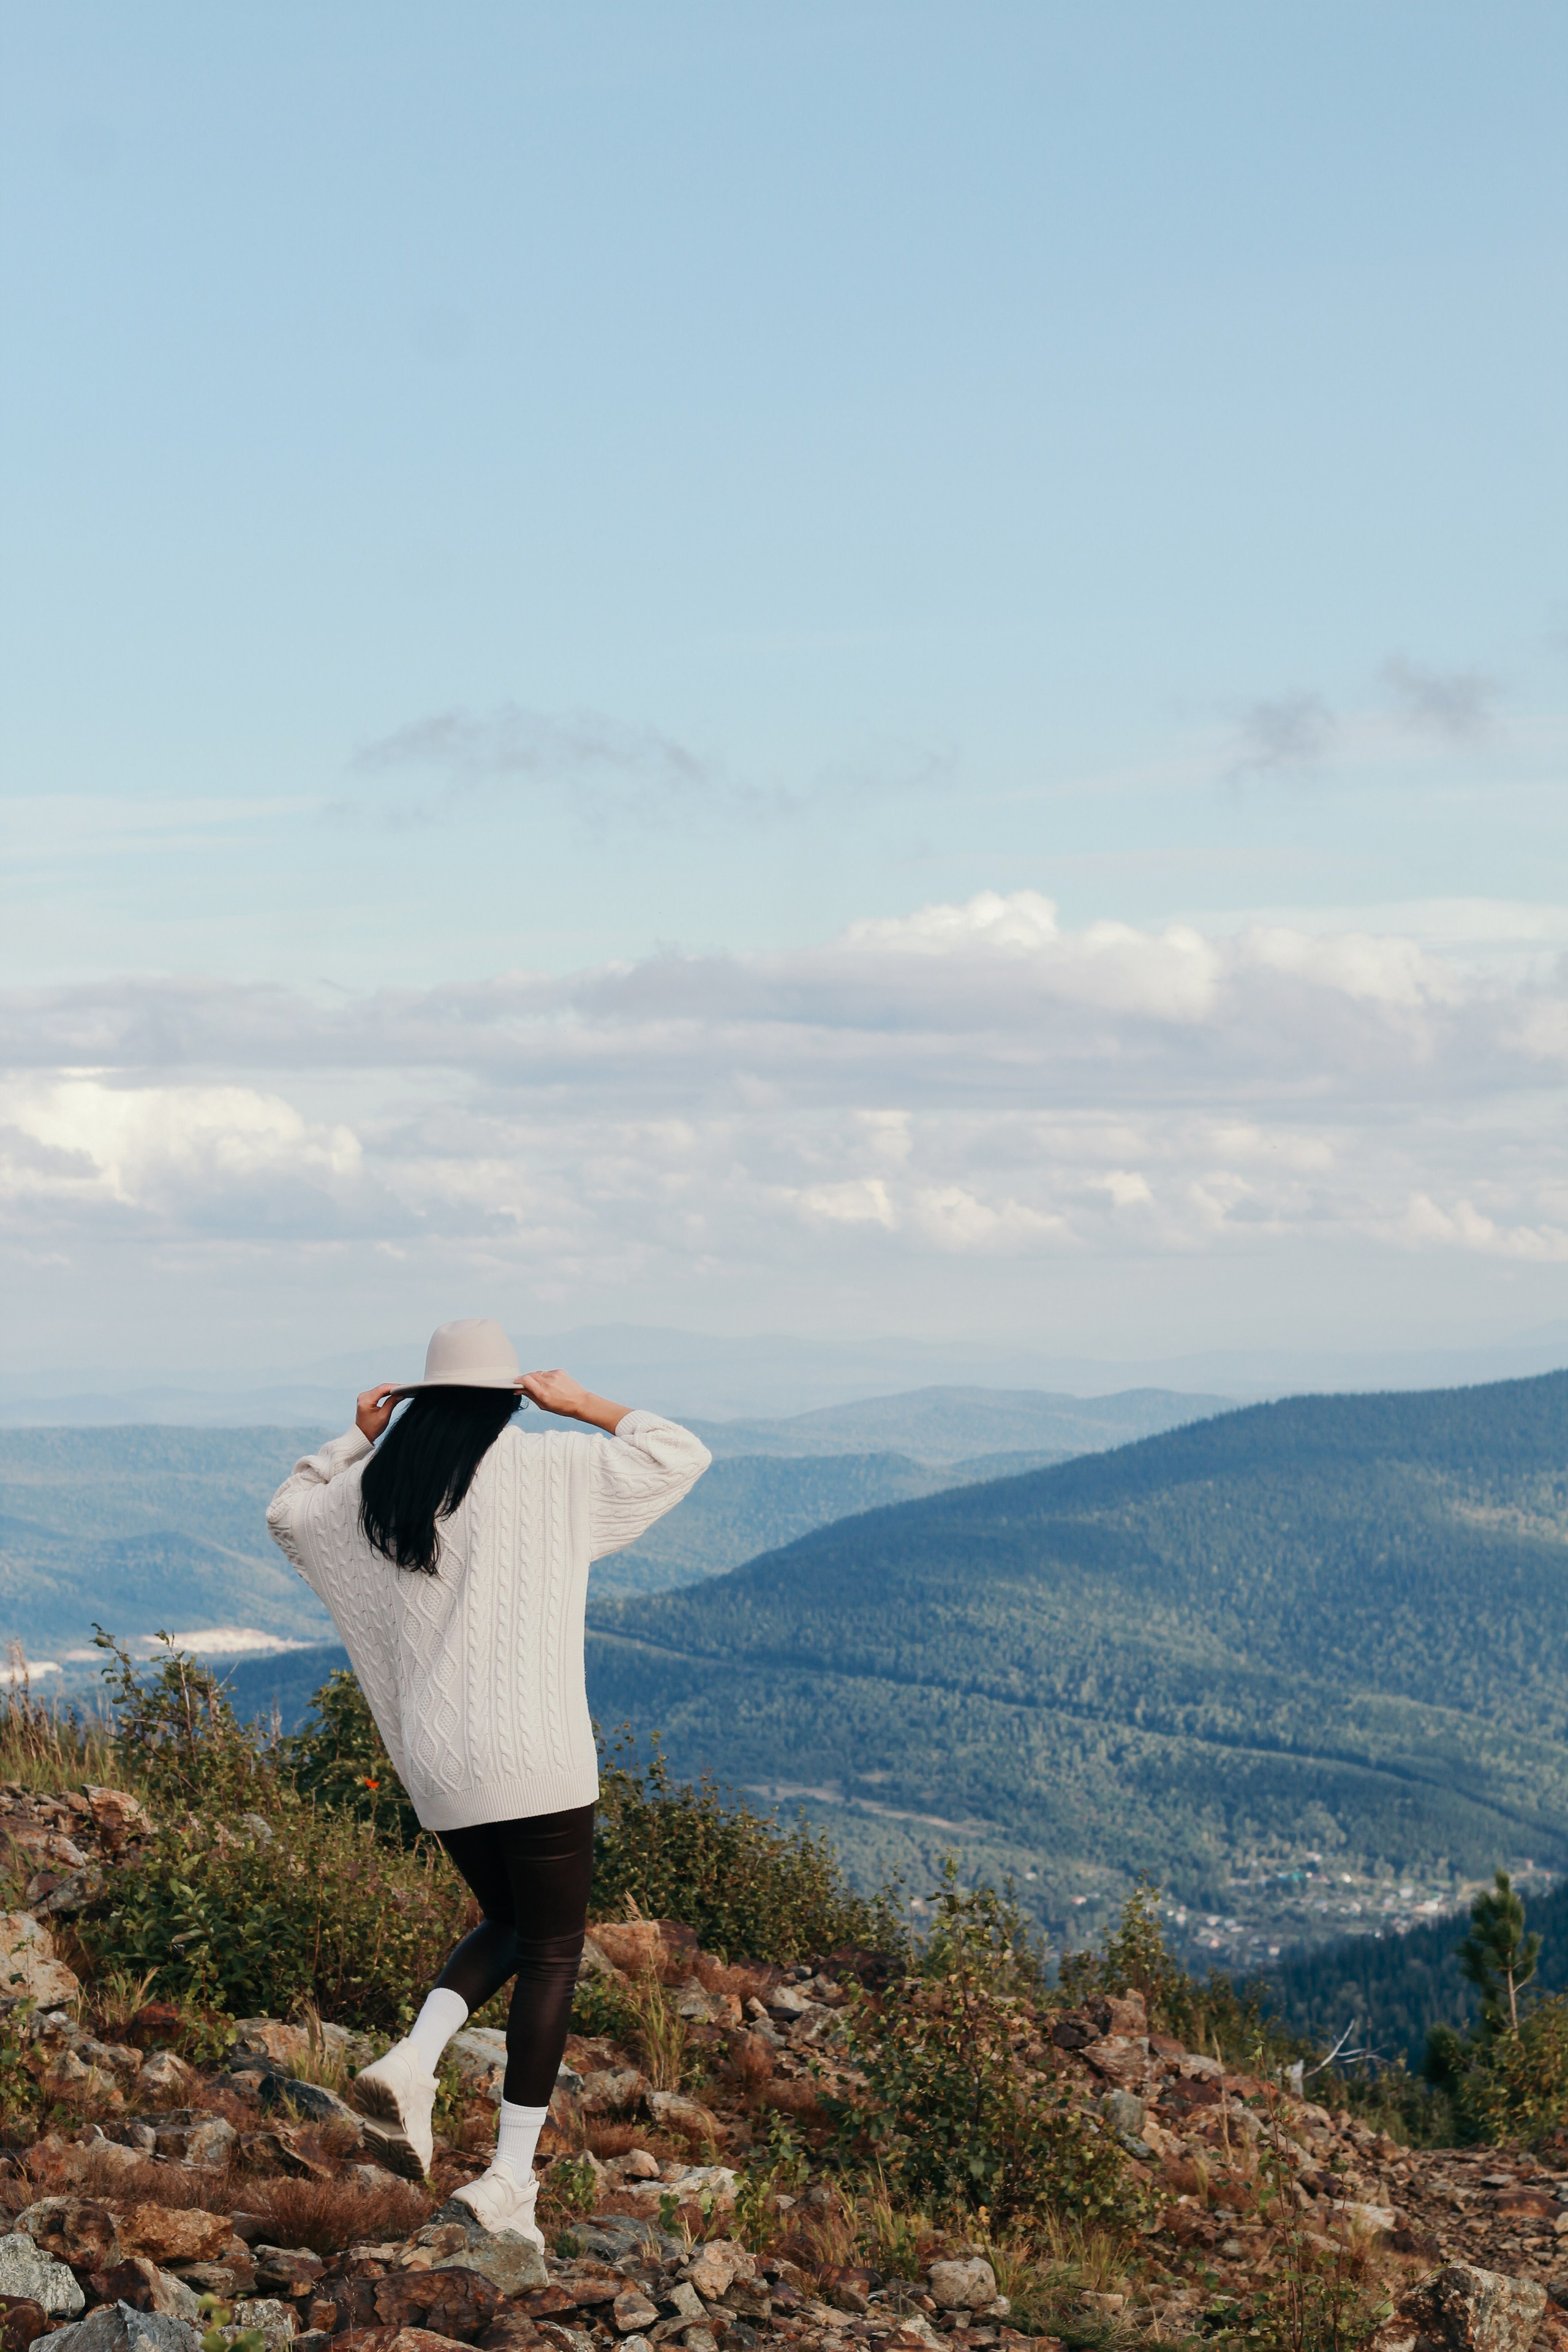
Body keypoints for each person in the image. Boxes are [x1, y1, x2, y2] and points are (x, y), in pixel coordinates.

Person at [265, 1316, 710, 2240]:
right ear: (510, 1399)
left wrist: (357, 1434)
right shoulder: (552, 1469)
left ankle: (415, 2060)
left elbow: (285, 1512)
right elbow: (678, 1452)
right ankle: (508, 2178)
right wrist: (581, 1403)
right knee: (552, 1950)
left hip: (440, 1766)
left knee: (510, 1923)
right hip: (538, 1758)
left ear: (422, 1404)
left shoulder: (372, 1492)